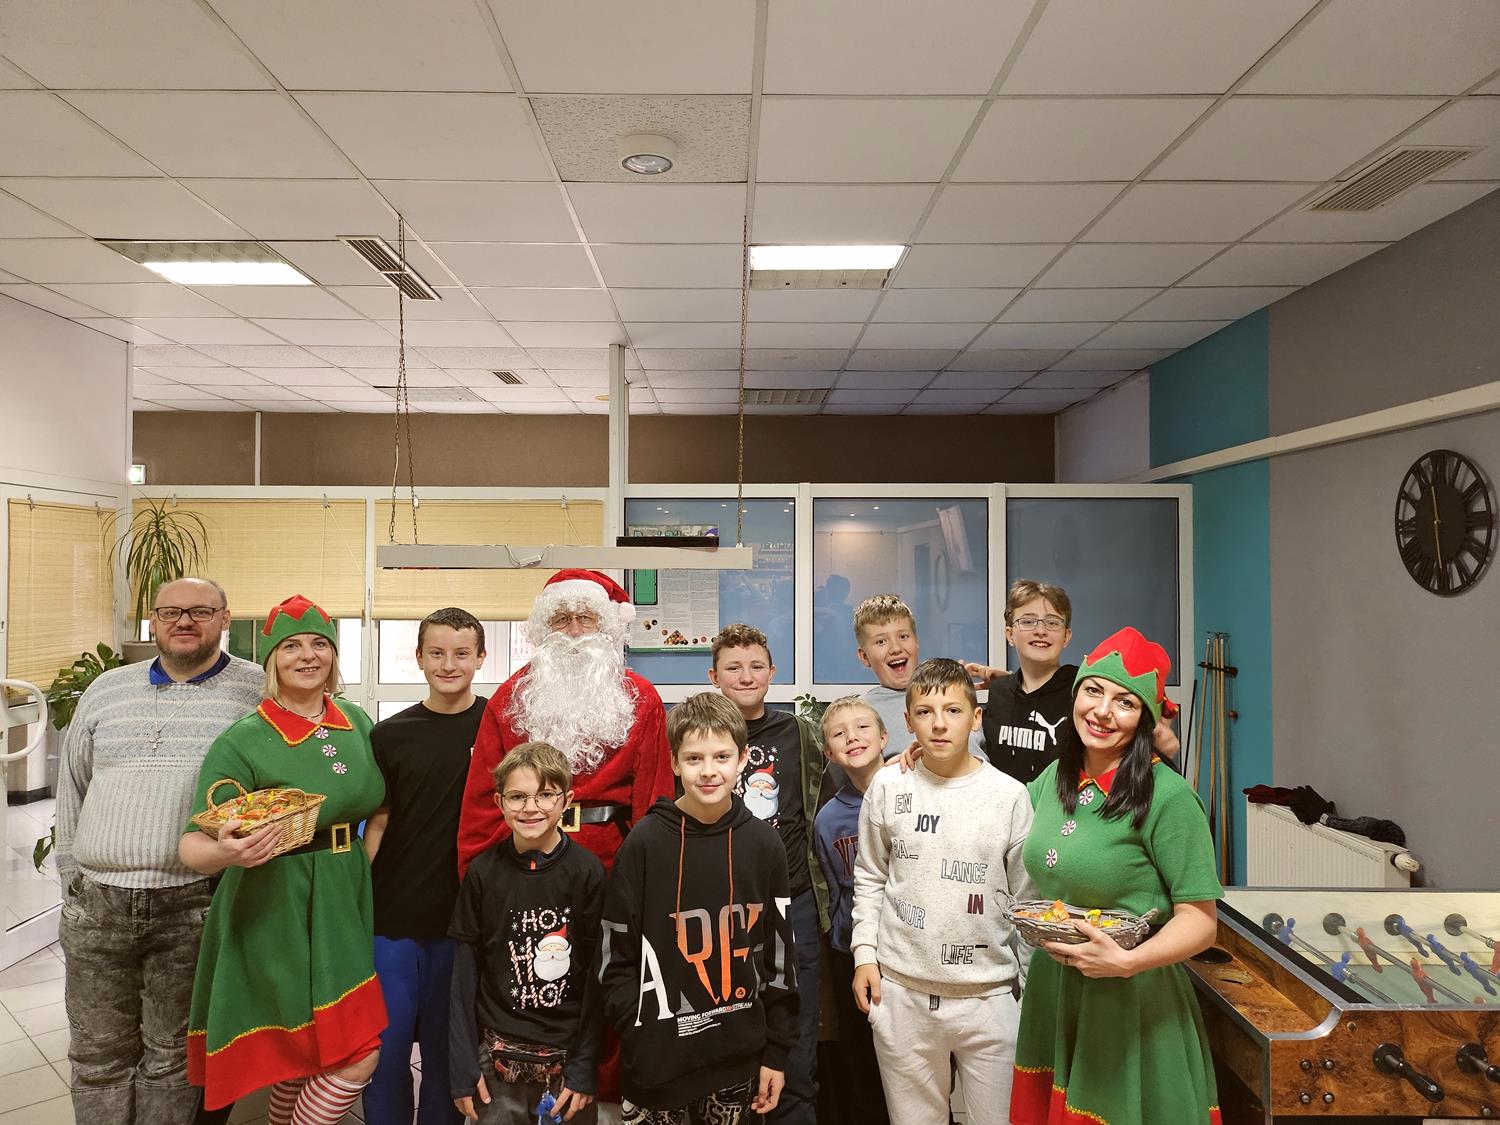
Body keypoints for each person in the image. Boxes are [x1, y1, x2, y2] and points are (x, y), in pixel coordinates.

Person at [55, 577, 262, 1125]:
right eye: (170, 612)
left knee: (172, 1057)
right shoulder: (108, 689)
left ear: (225, 619)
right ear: (153, 620)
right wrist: (71, 874)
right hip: (98, 904)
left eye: (200, 611)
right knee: (97, 1055)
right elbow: (73, 786)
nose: (184, 621)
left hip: (192, 903)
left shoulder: (256, 689)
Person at [180, 594, 387, 1124]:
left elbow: (383, 804)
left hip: (342, 897)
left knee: (317, 1049)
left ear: (334, 655)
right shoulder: (244, 740)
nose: (308, 655)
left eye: (320, 643)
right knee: (356, 1055)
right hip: (273, 904)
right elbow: (192, 846)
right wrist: (225, 851)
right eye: (292, 646)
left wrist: (359, 863)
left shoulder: (357, 722)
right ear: (272, 660)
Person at [1010, 627, 1223, 1125]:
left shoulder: (1168, 798)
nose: (1102, 711)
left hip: (1130, 998)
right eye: (1093, 691)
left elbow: (1201, 921)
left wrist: (1127, 962)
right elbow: (993, 803)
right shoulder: (1056, 778)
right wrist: (926, 761)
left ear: (1145, 718)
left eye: (1125, 702)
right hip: (1055, 987)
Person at [600, 692, 799, 1125]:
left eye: (722, 756)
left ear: (743, 759)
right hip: (657, 1065)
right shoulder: (644, 843)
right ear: (674, 763)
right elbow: (615, 956)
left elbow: (779, 958)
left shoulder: (765, 844)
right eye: (694, 758)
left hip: (739, 1064)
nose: (708, 771)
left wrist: (777, 1053)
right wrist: (638, 1031)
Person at [850, 658, 1034, 1125]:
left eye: (953, 710)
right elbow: (870, 876)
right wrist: (864, 955)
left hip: (991, 998)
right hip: (902, 995)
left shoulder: (1010, 796)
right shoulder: (888, 786)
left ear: (976, 718)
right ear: (907, 721)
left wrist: (1032, 995)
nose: (938, 724)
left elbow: (1027, 902)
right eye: (925, 712)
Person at [458, 569, 673, 878]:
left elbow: (653, 798)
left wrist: (651, 878)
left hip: (613, 864)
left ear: (605, 626)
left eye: (586, 618)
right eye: (561, 619)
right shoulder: (509, 699)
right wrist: (478, 879)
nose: (573, 631)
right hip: (525, 864)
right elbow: (482, 802)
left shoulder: (640, 698)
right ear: (545, 627)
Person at [364, 608, 490, 1125]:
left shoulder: (498, 729)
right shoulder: (390, 735)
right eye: (436, 653)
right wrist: (357, 899)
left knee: (448, 1053)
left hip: (464, 922)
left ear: (481, 658)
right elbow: (378, 822)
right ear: (418, 657)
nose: (448, 664)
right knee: (385, 1051)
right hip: (392, 917)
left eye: (461, 653)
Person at [706, 622, 827, 1125]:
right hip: (724, 905)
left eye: (757, 666)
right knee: (724, 1028)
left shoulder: (799, 732)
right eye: (733, 667)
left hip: (793, 901)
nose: (746, 676)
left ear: (773, 672)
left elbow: (844, 772)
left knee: (797, 1035)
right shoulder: (704, 736)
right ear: (714, 676)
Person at [448, 741, 605, 1125]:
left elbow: (597, 977)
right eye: (517, 797)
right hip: (496, 1059)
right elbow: (464, 976)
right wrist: (463, 1065)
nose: (530, 808)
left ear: (567, 800)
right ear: (499, 802)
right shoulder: (483, 873)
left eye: (545, 795)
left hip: (566, 1061)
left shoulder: (588, 873)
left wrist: (585, 1066)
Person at [963, 581, 1180, 782]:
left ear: (1066, 636)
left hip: (1064, 806)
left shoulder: (1087, 691)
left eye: (1052, 622)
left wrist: (1157, 736)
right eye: (1028, 621)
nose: (1041, 631)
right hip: (1005, 808)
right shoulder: (999, 691)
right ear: (1010, 634)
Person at [811, 697, 890, 1125]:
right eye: (839, 734)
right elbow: (832, 884)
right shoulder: (828, 819)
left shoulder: (912, 790)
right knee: (862, 1057)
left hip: (909, 950)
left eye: (862, 727)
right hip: (853, 953)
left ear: (884, 737)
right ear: (829, 752)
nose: (852, 738)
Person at [851, 594, 983, 761]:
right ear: (864, 656)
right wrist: (888, 771)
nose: (896, 648)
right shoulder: (858, 712)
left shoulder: (955, 691)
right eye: (881, 642)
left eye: (903, 636)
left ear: (916, 641)